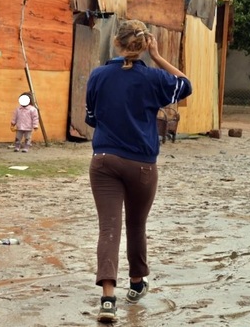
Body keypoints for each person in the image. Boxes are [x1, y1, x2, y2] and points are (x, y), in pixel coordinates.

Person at [85, 20, 192, 323]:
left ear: (116, 44)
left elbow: (91, 118)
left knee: (109, 228)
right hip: (142, 164)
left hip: (104, 160)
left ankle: (108, 299)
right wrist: (157, 57)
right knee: (136, 225)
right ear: (145, 44)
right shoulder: (155, 78)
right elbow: (186, 85)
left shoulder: (98, 75)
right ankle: (136, 282)